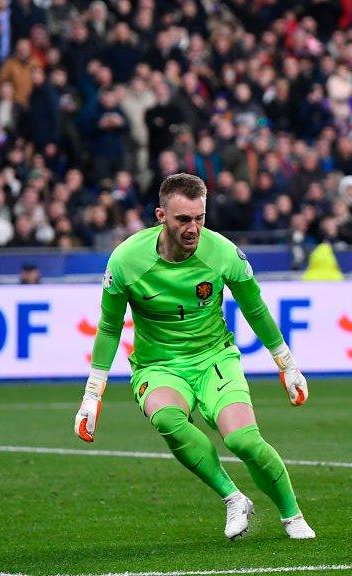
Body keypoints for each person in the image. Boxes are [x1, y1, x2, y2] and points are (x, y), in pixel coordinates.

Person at [73, 173, 316, 540]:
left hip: (214, 358)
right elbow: (109, 327)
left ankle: (292, 516)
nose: (193, 228)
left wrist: (287, 364)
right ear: (160, 216)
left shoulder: (221, 253)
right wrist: (93, 394)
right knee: (169, 421)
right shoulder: (125, 260)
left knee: (243, 441)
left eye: (200, 218)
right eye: (183, 219)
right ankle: (233, 497)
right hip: (158, 365)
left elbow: (255, 309)